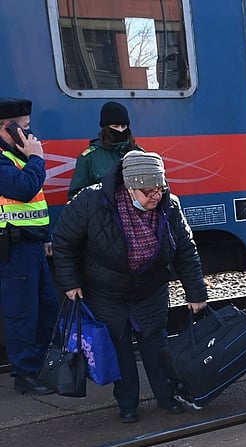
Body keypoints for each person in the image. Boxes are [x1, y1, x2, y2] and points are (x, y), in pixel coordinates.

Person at [53, 151, 208, 421]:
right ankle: (127, 406)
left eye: (159, 189)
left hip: (150, 290)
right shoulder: (91, 202)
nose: (155, 197)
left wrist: (195, 292)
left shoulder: (170, 206)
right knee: (120, 349)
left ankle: (167, 396)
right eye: (147, 191)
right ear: (129, 186)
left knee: (157, 347)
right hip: (107, 293)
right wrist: (70, 282)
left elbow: (186, 251)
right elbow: (64, 243)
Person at [0, 97, 58, 396]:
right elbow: (23, 190)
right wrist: (36, 157)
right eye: (24, 128)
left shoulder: (17, 157)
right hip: (14, 249)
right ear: (6, 128)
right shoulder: (4, 159)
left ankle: (42, 365)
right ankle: (24, 374)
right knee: (21, 312)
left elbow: (37, 204)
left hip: (33, 246)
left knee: (48, 307)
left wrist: (46, 236)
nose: (30, 135)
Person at [68, 102, 143, 200]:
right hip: (103, 213)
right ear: (106, 128)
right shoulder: (90, 158)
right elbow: (76, 196)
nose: (120, 130)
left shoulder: (139, 154)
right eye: (115, 126)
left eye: (124, 126)